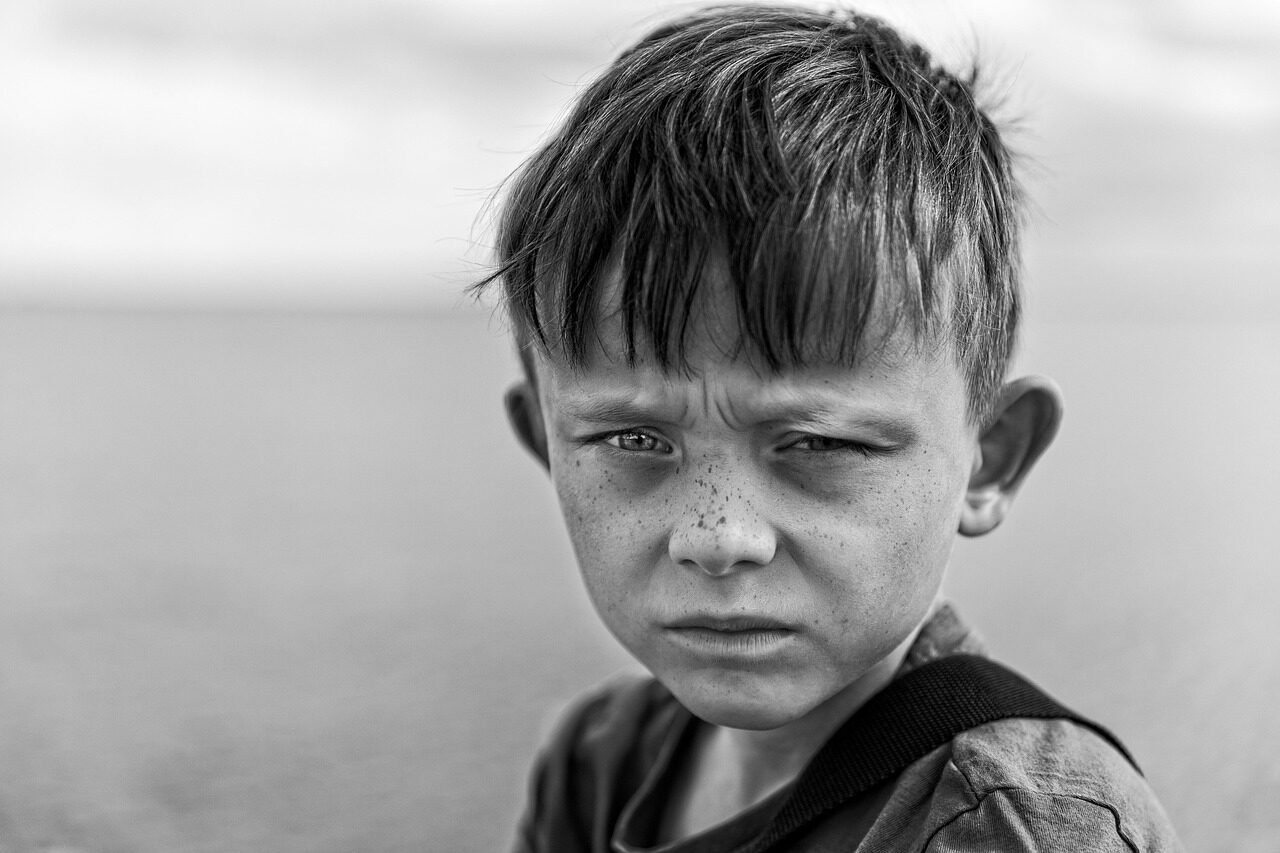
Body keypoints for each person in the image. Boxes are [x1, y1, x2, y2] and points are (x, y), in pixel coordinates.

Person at [475, 4, 1183, 850]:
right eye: (633, 440)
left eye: (818, 443)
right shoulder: (599, 761)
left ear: (989, 456)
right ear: (546, 445)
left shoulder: (1018, 827)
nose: (719, 537)